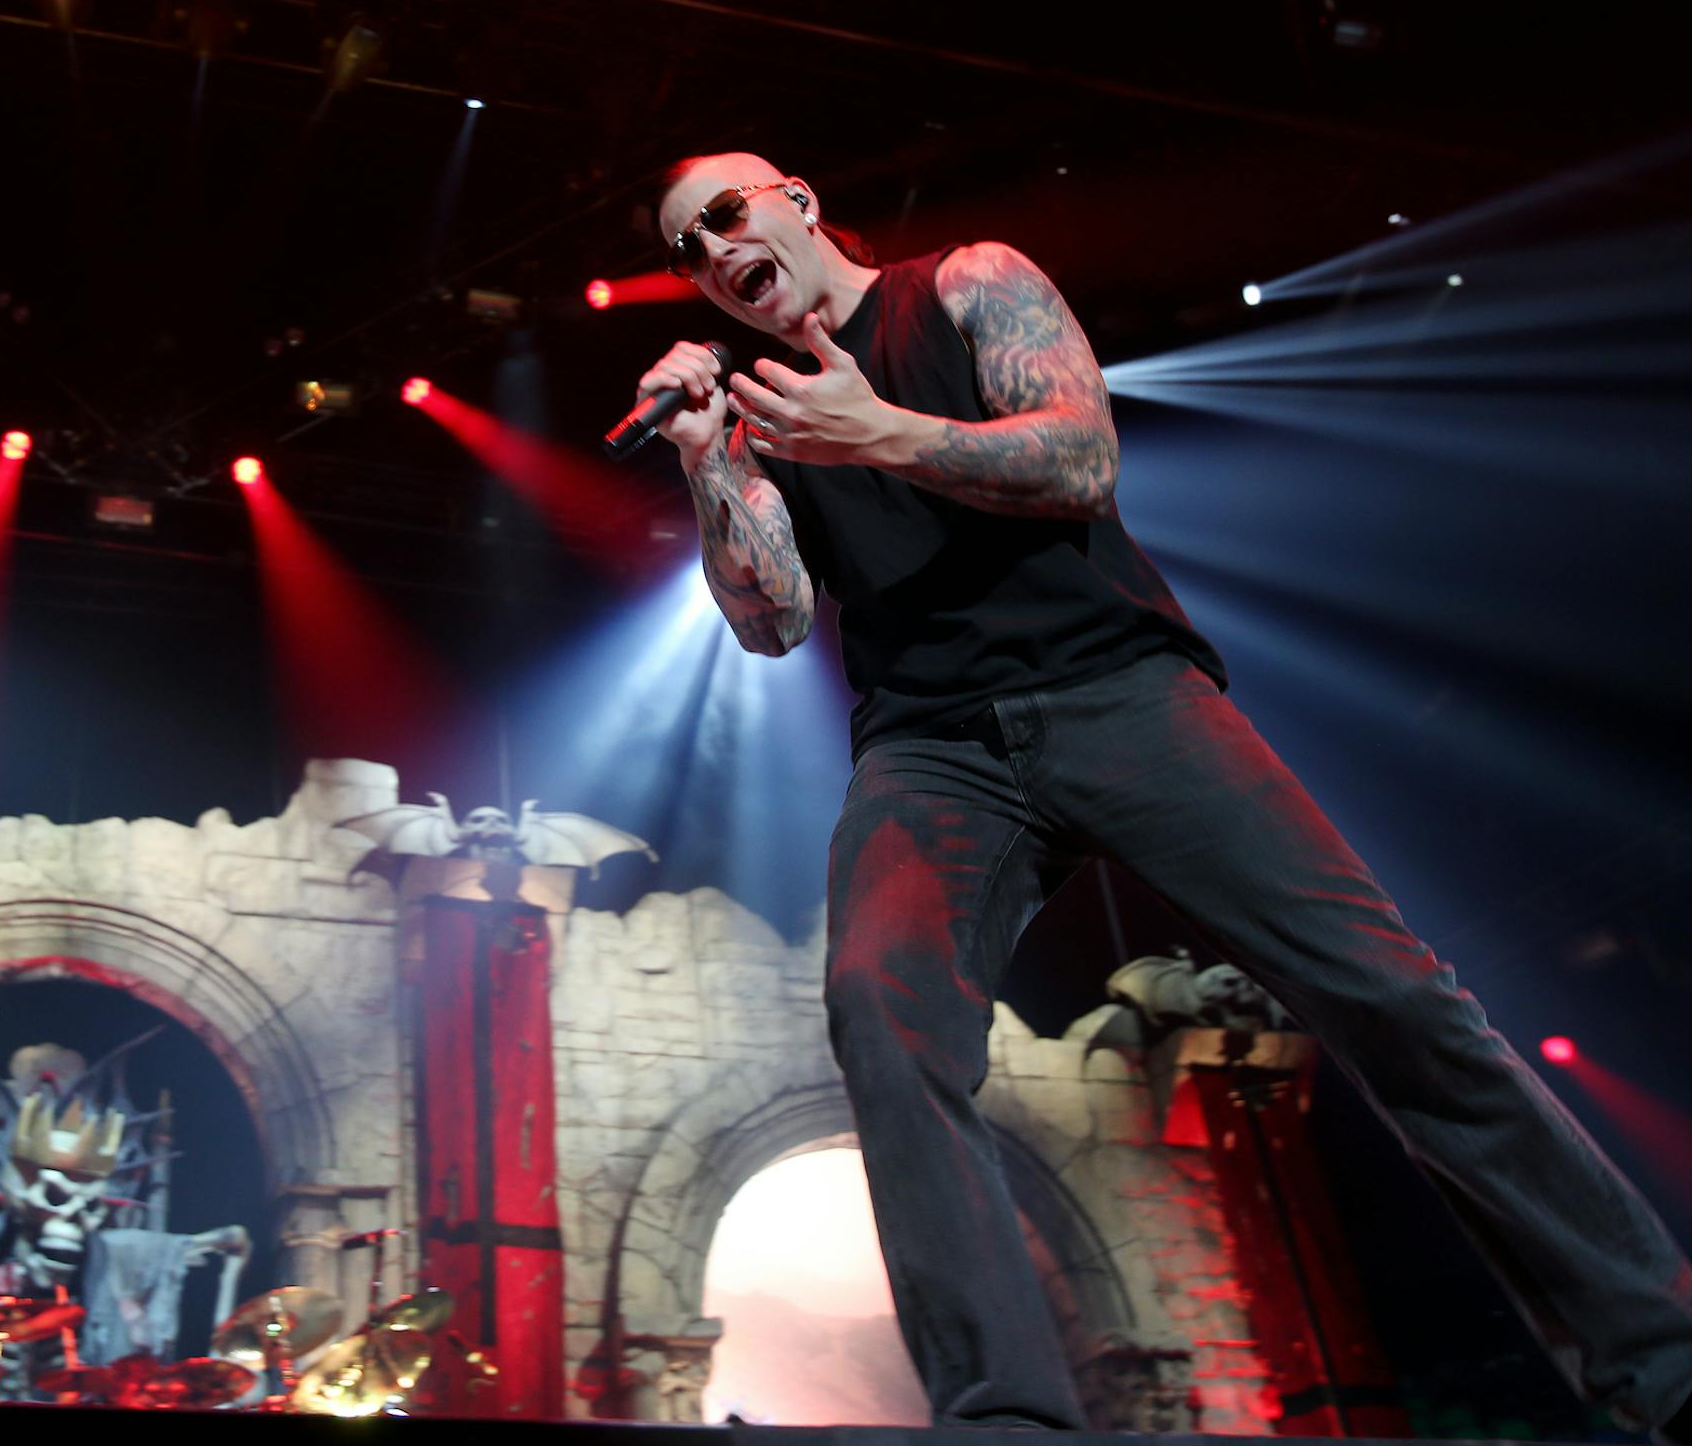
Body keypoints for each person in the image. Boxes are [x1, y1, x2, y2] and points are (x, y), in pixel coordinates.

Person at [636, 151, 1692, 1436]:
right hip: (934, 747)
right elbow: (772, 623)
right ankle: (1005, 1412)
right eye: (688, 247)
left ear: (796, 201)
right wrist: (705, 458)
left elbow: (1079, 459)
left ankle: (1661, 1356)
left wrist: (888, 433)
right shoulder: (764, 414)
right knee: (881, 1007)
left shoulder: (967, 284)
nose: (712, 248)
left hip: (1119, 692)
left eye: (727, 211)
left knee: (1395, 997)